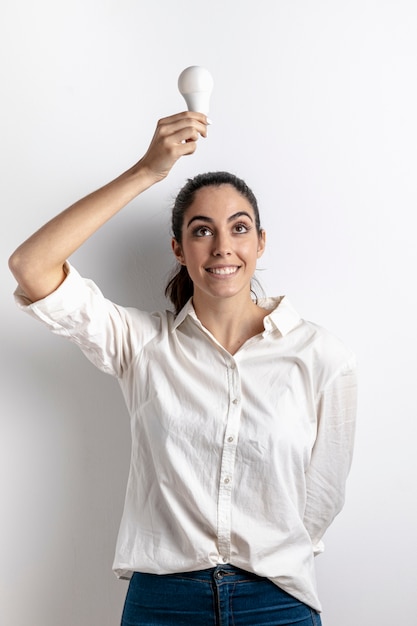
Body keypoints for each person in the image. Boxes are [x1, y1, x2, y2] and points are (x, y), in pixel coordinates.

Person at [9, 111, 357, 626]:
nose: (222, 247)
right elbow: (31, 266)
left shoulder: (321, 355)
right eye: (202, 231)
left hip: (277, 601)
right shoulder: (142, 343)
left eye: (239, 229)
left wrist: (270, 557)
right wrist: (148, 171)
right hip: (162, 603)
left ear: (259, 243)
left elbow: (323, 495)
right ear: (178, 248)